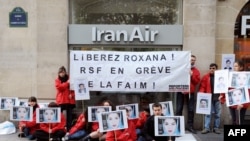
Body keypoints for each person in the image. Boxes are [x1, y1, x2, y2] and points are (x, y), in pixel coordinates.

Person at [220, 60, 250, 125]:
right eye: (234, 66)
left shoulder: (246, 77)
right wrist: (222, 96)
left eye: (236, 66)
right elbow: (227, 88)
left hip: (241, 103)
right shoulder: (232, 77)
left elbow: (248, 92)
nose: (234, 68)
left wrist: (243, 104)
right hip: (232, 103)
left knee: (239, 121)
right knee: (233, 120)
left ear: (241, 67)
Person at [176, 55, 200, 134]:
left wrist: (192, 75)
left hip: (191, 92)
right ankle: (177, 127)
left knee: (191, 109)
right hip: (180, 91)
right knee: (179, 109)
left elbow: (196, 82)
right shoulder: (182, 68)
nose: (192, 61)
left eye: (193, 60)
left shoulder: (196, 71)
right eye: (191, 59)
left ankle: (190, 126)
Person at [199, 63, 221, 134]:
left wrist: (222, 96)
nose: (211, 69)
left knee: (218, 114)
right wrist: (201, 94)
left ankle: (216, 128)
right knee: (208, 114)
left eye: (213, 68)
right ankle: (207, 128)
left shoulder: (220, 77)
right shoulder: (206, 77)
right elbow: (202, 86)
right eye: (210, 68)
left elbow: (223, 87)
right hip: (209, 98)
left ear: (216, 69)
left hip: (218, 98)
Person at [55, 66, 76, 131]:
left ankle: (69, 128)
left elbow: (74, 88)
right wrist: (67, 83)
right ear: (58, 73)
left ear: (65, 72)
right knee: (59, 115)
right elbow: (60, 88)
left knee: (69, 115)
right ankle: (59, 127)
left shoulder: (70, 79)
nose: (62, 74)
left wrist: (72, 95)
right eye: (60, 72)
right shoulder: (57, 80)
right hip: (61, 99)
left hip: (69, 100)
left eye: (63, 72)